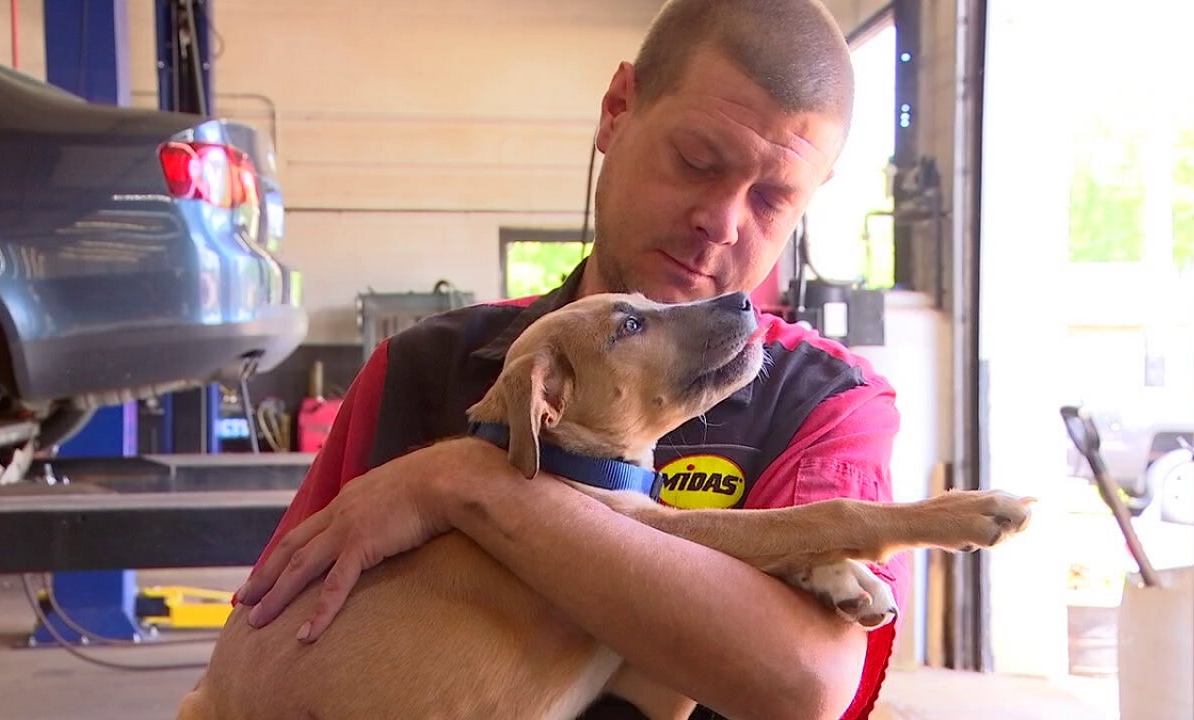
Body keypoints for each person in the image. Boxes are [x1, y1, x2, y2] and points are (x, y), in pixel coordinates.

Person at [235, 0, 910, 717]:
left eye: (773, 198)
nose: (722, 220)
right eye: (696, 161)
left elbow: (801, 683)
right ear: (618, 109)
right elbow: (267, 643)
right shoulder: (418, 369)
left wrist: (465, 480)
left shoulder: (828, 406)